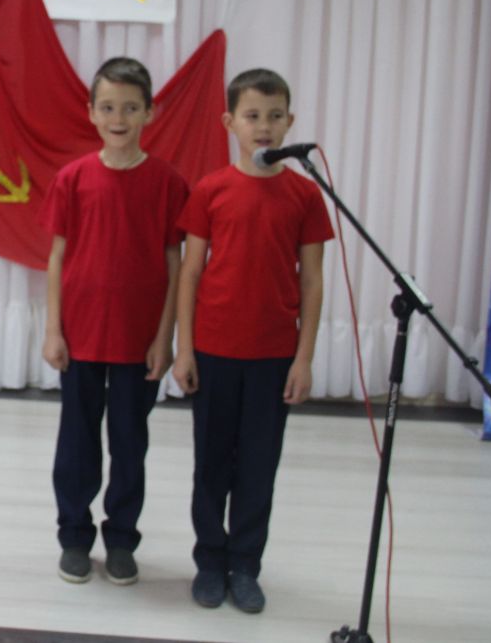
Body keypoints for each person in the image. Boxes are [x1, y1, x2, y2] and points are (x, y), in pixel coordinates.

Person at [172, 67, 333, 614]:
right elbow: (190, 273)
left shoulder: (305, 195)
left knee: (259, 465)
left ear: (290, 121)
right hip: (215, 351)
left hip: (273, 355)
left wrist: (303, 359)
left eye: (274, 116)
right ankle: (209, 561)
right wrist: (185, 349)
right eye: (252, 115)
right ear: (230, 122)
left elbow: (312, 281)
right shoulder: (210, 190)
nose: (263, 126)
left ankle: (245, 564)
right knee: (211, 463)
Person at [42, 56, 189, 586]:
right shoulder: (73, 178)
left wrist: (165, 337)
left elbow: (175, 263)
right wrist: (53, 329)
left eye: (130, 108)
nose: (118, 118)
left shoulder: (168, 183)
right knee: (77, 442)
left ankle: (122, 538)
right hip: (81, 335)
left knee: (129, 442)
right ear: (91, 112)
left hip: (137, 340)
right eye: (107, 107)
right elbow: (57, 257)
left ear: (150, 112)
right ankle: (74, 536)